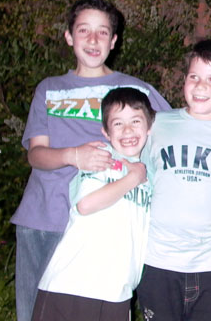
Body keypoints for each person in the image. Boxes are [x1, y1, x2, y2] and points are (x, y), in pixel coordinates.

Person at [11, 0, 171, 321]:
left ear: (114, 41)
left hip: (106, 225)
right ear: (69, 36)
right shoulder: (49, 89)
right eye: (84, 30)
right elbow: (36, 154)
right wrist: (74, 156)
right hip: (45, 218)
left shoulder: (135, 89)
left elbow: (177, 130)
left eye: (102, 32)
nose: (93, 40)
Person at [137, 39, 211, 321]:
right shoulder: (158, 125)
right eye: (194, 77)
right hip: (158, 258)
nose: (201, 86)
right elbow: (142, 181)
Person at [32, 87, 156, 321]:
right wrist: (133, 178)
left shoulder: (149, 174)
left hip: (117, 291)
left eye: (136, 121)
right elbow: (86, 204)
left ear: (149, 126)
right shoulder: (102, 158)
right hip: (73, 286)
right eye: (118, 123)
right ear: (106, 132)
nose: (127, 130)